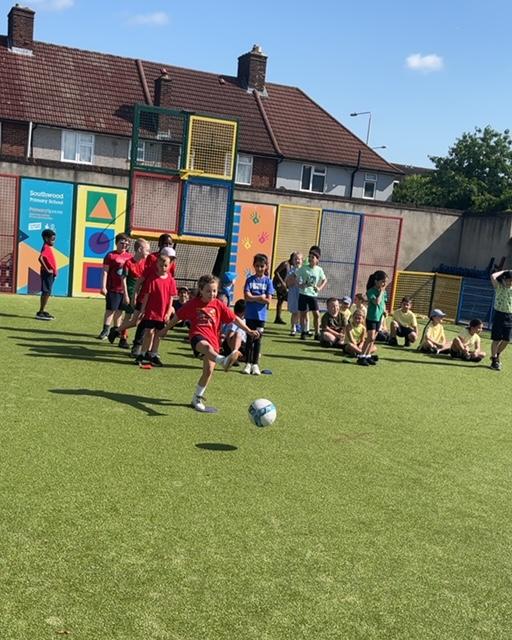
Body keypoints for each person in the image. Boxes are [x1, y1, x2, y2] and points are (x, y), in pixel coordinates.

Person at [166, 274, 259, 412]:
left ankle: (196, 398)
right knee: (206, 347)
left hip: (214, 340)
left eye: (214, 291)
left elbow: (234, 319)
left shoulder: (218, 304)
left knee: (208, 371)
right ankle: (223, 360)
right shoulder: (192, 304)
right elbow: (178, 317)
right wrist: (165, 329)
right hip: (197, 337)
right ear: (201, 290)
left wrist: (249, 330)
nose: (212, 294)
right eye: (208, 291)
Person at [136, 254, 177, 367]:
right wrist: (143, 310)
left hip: (162, 313)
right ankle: (143, 353)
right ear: (157, 265)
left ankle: (154, 354)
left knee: (158, 334)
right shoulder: (152, 278)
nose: (163, 267)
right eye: (161, 265)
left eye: (165, 265)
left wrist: (168, 312)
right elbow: (147, 296)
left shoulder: (171, 280)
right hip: (151, 312)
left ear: (169, 266)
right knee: (148, 332)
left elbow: (171, 298)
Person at [108, 237, 149, 348]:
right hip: (131, 292)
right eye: (147, 250)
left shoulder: (146, 263)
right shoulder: (129, 263)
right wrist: (126, 295)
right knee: (128, 316)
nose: (148, 253)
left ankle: (116, 330)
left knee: (137, 319)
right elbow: (123, 279)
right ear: (139, 249)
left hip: (141, 294)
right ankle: (123, 338)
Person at [243, 253, 274, 375]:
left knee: (258, 340)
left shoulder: (268, 281)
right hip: (250, 315)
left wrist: (255, 298)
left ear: (266, 266)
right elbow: (247, 297)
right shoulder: (249, 280)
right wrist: (259, 297)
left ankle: (255, 364)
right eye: (257, 266)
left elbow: (268, 300)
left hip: (261, 317)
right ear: (254, 266)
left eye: (262, 266)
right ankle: (247, 364)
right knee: (249, 339)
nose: (259, 268)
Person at [97, 233, 132, 340]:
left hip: (124, 290)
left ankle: (116, 330)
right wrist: (103, 286)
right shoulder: (110, 255)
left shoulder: (130, 257)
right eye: (122, 243)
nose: (124, 245)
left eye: (127, 244)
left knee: (120, 311)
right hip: (113, 288)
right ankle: (105, 330)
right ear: (116, 243)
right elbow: (105, 271)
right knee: (110, 309)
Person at [296, 247, 327, 341]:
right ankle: (303, 332)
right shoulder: (303, 268)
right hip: (303, 294)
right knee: (303, 314)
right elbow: (296, 278)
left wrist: (319, 288)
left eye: (312, 257)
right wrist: (300, 285)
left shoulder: (319, 270)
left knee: (316, 314)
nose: (310, 259)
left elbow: (324, 280)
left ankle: (317, 333)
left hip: (313, 295)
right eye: (309, 257)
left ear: (317, 260)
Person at [358, 270, 388, 366]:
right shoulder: (370, 291)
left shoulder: (383, 292)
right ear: (376, 281)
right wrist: (381, 292)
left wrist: (384, 311)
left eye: (385, 282)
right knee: (370, 337)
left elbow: (383, 303)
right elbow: (376, 302)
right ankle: (361, 356)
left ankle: (367, 356)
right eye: (383, 281)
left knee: (373, 338)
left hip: (379, 318)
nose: (384, 284)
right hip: (372, 317)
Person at [490, 269, 512, 371]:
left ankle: (497, 354)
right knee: (496, 339)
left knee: (507, 339)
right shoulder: (499, 287)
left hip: (509, 316)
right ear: (504, 279)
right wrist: (505, 271)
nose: (510, 282)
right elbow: (493, 276)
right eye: (508, 280)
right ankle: (494, 360)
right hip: (499, 314)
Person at [36, 229, 57, 320]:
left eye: (54, 239)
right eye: (52, 239)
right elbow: (40, 258)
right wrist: (48, 269)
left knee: (47, 292)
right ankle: (40, 312)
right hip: (47, 274)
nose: (54, 241)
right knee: (46, 292)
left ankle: (42, 310)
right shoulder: (45, 247)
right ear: (46, 238)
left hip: (49, 274)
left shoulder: (47, 247)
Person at [285, 252, 303, 336]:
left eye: (299, 259)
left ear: (302, 260)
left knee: (301, 312)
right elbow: (288, 283)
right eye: (295, 259)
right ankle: (293, 328)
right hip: (293, 294)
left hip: (302, 294)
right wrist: (294, 276)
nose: (297, 261)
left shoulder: (304, 270)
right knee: (294, 312)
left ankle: (300, 326)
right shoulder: (291, 270)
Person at [272, 254, 293, 324]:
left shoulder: (290, 266)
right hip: (278, 284)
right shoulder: (285, 264)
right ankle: (278, 318)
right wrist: (282, 282)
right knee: (288, 299)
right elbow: (276, 272)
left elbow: (286, 276)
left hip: (282, 285)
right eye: (295, 259)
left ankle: (277, 318)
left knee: (280, 300)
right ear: (292, 258)